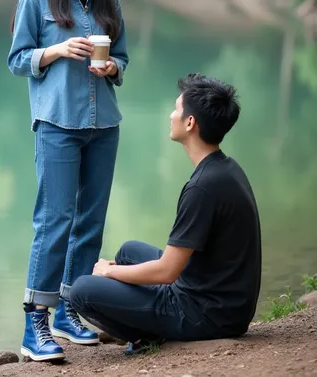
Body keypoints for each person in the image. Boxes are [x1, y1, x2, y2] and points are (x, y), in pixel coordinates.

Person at [8, 0, 129, 362]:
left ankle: (69, 313)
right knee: (54, 220)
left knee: (90, 223)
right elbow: (17, 60)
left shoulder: (111, 2)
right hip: (56, 124)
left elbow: (123, 59)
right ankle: (34, 323)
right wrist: (56, 50)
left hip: (105, 125)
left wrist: (112, 66)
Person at [69, 73, 262, 354]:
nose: (171, 115)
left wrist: (110, 272)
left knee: (82, 291)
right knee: (129, 250)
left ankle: (145, 336)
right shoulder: (226, 168)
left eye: (176, 109)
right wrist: (119, 269)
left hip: (207, 315)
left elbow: (167, 271)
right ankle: (145, 316)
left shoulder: (202, 188)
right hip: (223, 301)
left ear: (190, 123)